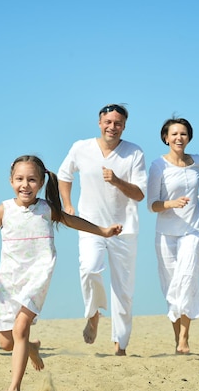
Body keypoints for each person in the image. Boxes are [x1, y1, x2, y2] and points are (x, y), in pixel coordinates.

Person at [0, 155, 122, 391]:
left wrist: (103, 231)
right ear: (11, 181)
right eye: (20, 179)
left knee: (21, 328)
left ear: (42, 182)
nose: (25, 185)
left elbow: (72, 221)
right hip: (10, 279)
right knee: (6, 341)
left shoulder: (46, 209)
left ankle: (14, 386)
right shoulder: (4, 209)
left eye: (32, 180)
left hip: (38, 275)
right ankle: (31, 348)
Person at [57, 103, 147, 356]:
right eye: (108, 122)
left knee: (123, 289)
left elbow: (139, 194)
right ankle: (93, 314)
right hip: (91, 225)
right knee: (89, 268)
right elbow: (64, 175)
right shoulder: (80, 147)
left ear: (124, 126)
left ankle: (120, 345)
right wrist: (68, 204)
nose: (113, 127)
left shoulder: (134, 152)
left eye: (118, 123)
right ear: (100, 123)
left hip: (125, 228)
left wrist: (117, 181)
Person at [147, 117, 199, 354]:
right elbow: (152, 204)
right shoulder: (157, 166)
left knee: (186, 280)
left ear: (189, 137)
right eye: (174, 134)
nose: (178, 138)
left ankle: (184, 337)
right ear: (166, 138)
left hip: (193, 232)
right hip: (165, 234)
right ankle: (177, 340)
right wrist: (171, 203)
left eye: (183, 134)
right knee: (171, 286)